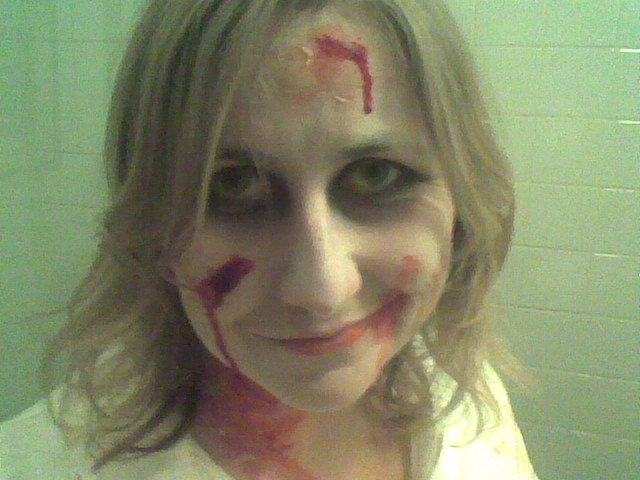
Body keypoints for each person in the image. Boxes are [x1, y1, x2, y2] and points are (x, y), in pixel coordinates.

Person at [0, 0, 539, 479]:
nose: (322, 289)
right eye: (234, 185)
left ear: (461, 198)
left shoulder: (463, 400)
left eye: (376, 175)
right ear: (151, 225)